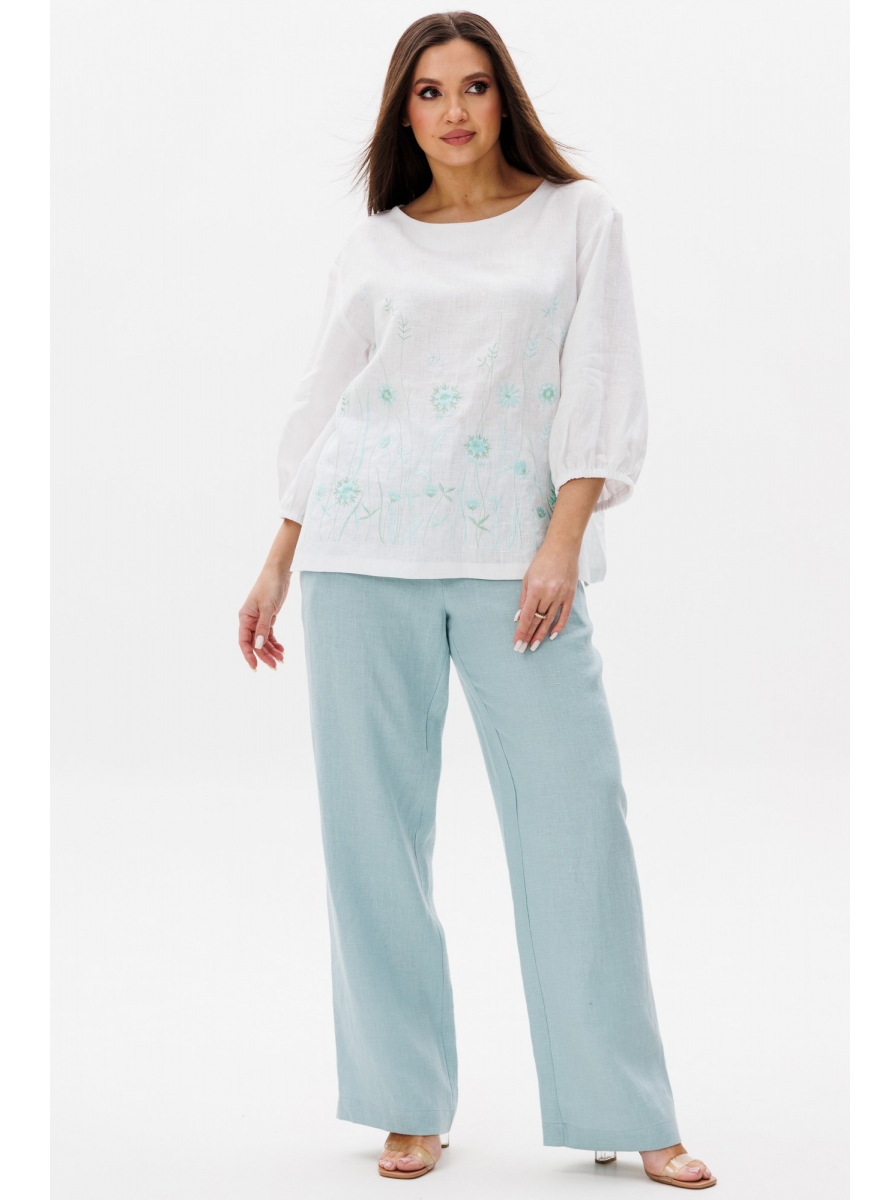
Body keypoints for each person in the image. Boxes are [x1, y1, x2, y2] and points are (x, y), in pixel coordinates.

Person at [238, 10, 716, 1189]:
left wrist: (562, 542)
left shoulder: (579, 219)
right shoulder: (376, 245)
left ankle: (628, 1106)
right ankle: (405, 1101)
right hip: (360, 556)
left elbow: (602, 381)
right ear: (403, 114)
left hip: (519, 568)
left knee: (578, 830)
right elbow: (327, 404)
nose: (453, 110)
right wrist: (279, 557)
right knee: (373, 842)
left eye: (475, 86)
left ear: (506, 99)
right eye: (429, 91)